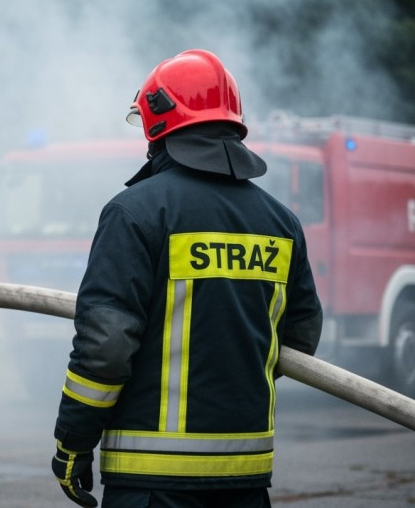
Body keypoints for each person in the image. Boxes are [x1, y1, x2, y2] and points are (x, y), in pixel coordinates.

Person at [51, 49, 323, 508]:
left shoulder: (136, 212)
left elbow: (107, 348)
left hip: (152, 486)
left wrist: (73, 444)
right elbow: (299, 338)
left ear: (158, 121)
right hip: (247, 483)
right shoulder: (281, 223)